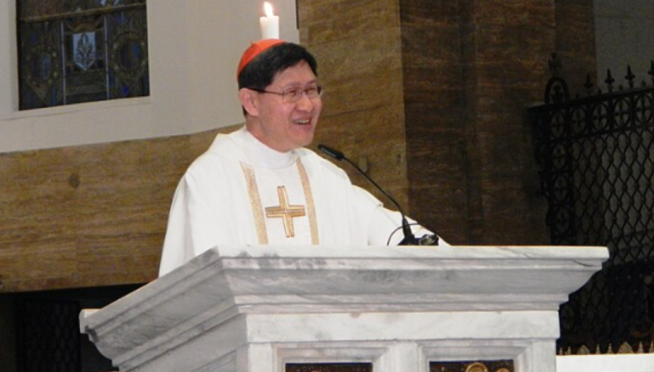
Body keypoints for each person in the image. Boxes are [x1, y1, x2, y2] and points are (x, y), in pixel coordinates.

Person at [159, 39, 445, 276]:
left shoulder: (325, 175)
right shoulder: (210, 179)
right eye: (292, 93)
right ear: (251, 101)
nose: (307, 105)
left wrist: (451, 261)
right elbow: (199, 286)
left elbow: (391, 231)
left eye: (311, 90)